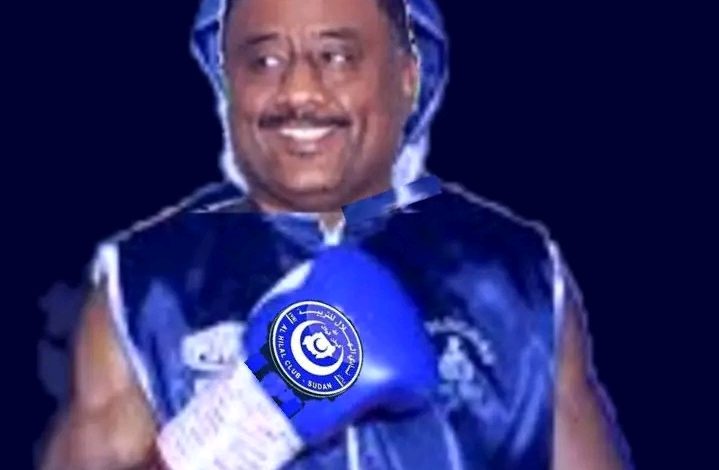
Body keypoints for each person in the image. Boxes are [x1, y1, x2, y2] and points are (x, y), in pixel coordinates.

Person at [40, 0, 633, 468]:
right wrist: (236, 430)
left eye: (337, 57)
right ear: (228, 83)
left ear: (407, 76)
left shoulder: (516, 275)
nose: (299, 92)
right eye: (263, 62)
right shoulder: (146, 286)